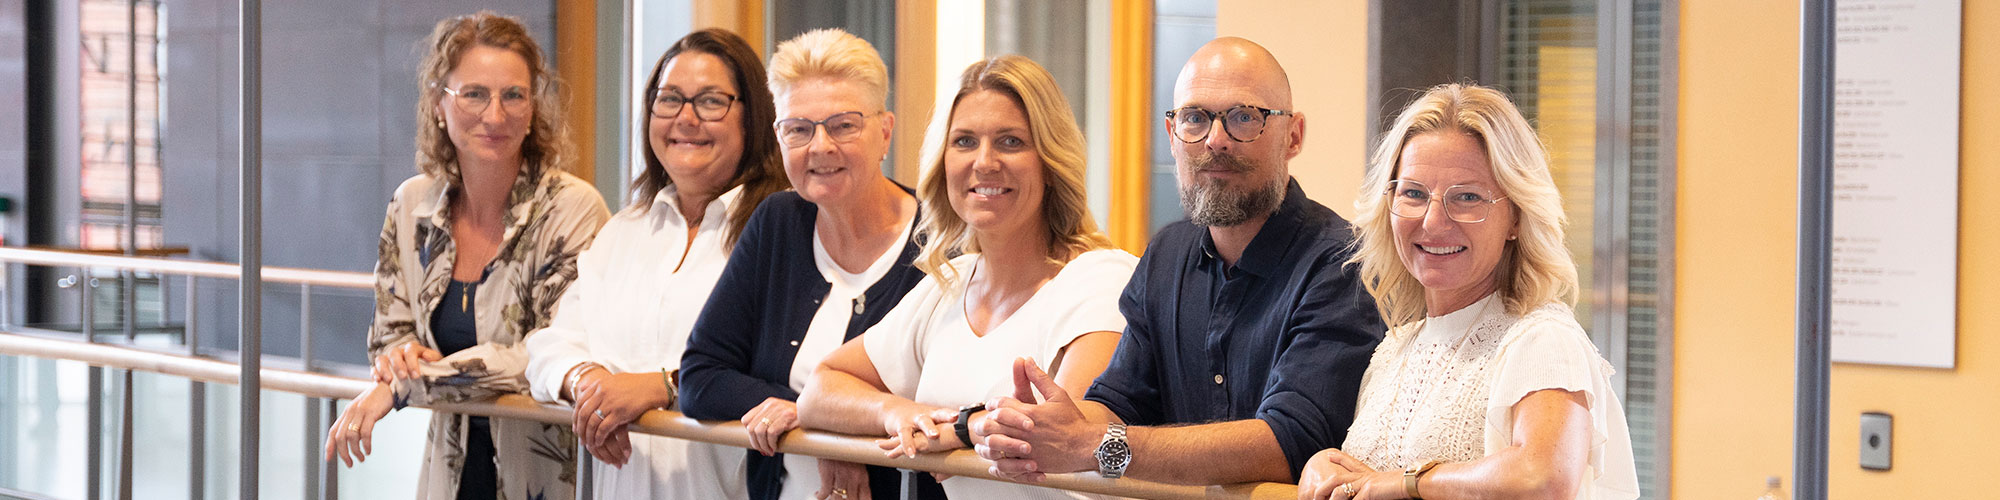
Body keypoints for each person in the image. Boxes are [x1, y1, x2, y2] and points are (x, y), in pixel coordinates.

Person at [969, 37, 1384, 487]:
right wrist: (1038, 429)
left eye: (1245, 117)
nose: (1216, 140)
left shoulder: (1342, 263)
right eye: (1195, 118)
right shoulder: (1166, 254)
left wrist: (1092, 446)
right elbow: (1119, 402)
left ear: (1293, 136)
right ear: (1172, 136)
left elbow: (1289, 443)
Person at [795, 55, 1137, 500]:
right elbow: (818, 390)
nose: (984, 162)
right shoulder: (950, 282)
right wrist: (897, 413)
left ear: (1050, 163)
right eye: (964, 141)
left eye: (1011, 141)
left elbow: (1069, 436)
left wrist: (959, 428)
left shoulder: (1101, 278)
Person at [1294, 84, 1639, 500]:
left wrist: (1409, 482)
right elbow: (1372, 484)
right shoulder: (1395, 349)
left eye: (1467, 197)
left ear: (1516, 218)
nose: (1432, 222)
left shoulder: (1542, 338)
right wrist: (1328, 465)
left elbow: (1542, 479)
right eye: (1414, 193)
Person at [323, 11, 610, 500]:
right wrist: (400, 358)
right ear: (439, 103)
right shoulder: (411, 205)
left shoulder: (572, 208)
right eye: (474, 94)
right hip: (448, 474)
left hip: (547, 476)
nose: (495, 116)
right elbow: (388, 336)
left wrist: (403, 384)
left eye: (513, 95)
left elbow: (543, 356)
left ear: (533, 108)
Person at [521, 28, 788, 499]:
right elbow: (550, 345)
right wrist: (588, 383)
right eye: (669, 99)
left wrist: (663, 386)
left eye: (711, 101)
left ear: (753, 117)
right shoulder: (625, 230)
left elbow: (788, 373)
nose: (686, 118)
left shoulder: (782, 232)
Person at [678, 28, 927, 500]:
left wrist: (832, 422)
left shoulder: (940, 241)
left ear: (885, 132)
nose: (820, 146)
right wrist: (809, 415)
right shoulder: (777, 223)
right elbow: (700, 377)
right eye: (798, 129)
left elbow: (946, 399)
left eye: (843, 125)